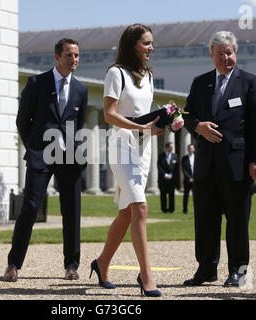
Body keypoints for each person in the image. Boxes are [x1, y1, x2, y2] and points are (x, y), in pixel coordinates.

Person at [182, 31, 256, 287]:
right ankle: (206, 268)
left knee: (237, 221)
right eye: (220, 54)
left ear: (235, 53)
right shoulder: (200, 83)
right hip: (206, 165)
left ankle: (238, 271)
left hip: (237, 165)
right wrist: (198, 126)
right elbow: (187, 115)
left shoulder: (250, 83)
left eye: (229, 52)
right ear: (211, 55)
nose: (225, 58)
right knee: (205, 220)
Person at [4, 38, 88, 282]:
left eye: (77, 56)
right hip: (41, 155)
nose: (74, 60)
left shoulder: (81, 90)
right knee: (30, 208)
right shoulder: (36, 83)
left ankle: (71, 266)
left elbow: (79, 124)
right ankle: (13, 264)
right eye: (69, 55)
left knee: (72, 211)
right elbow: (23, 121)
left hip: (70, 157)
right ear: (57, 56)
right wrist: (34, 148)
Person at [91, 24, 165, 297]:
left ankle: (101, 264)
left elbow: (143, 113)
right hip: (122, 148)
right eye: (146, 43)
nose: (151, 48)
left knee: (125, 214)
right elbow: (109, 115)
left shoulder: (149, 75)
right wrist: (141, 128)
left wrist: (159, 124)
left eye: (151, 43)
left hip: (143, 149)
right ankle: (147, 276)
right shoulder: (115, 73)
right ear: (133, 44)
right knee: (141, 209)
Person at [157, 142, 179, 213]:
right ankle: (164, 209)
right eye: (170, 147)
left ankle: (171, 209)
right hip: (163, 179)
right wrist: (165, 174)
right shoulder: (161, 156)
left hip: (172, 180)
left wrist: (172, 175)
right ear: (167, 148)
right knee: (163, 195)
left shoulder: (175, 156)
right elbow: (159, 166)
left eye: (172, 147)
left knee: (171, 195)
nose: (172, 148)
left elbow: (176, 168)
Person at [181, 144, 195, 214]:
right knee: (186, 195)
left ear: (194, 149)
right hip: (187, 180)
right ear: (188, 149)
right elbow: (183, 169)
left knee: (195, 196)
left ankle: (196, 209)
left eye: (192, 148)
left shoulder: (196, 157)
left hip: (195, 180)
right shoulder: (184, 158)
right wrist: (189, 178)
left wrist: (194, 177)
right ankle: (185, 209)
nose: (190, 149)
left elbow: (198, 168)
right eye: (189, 148)